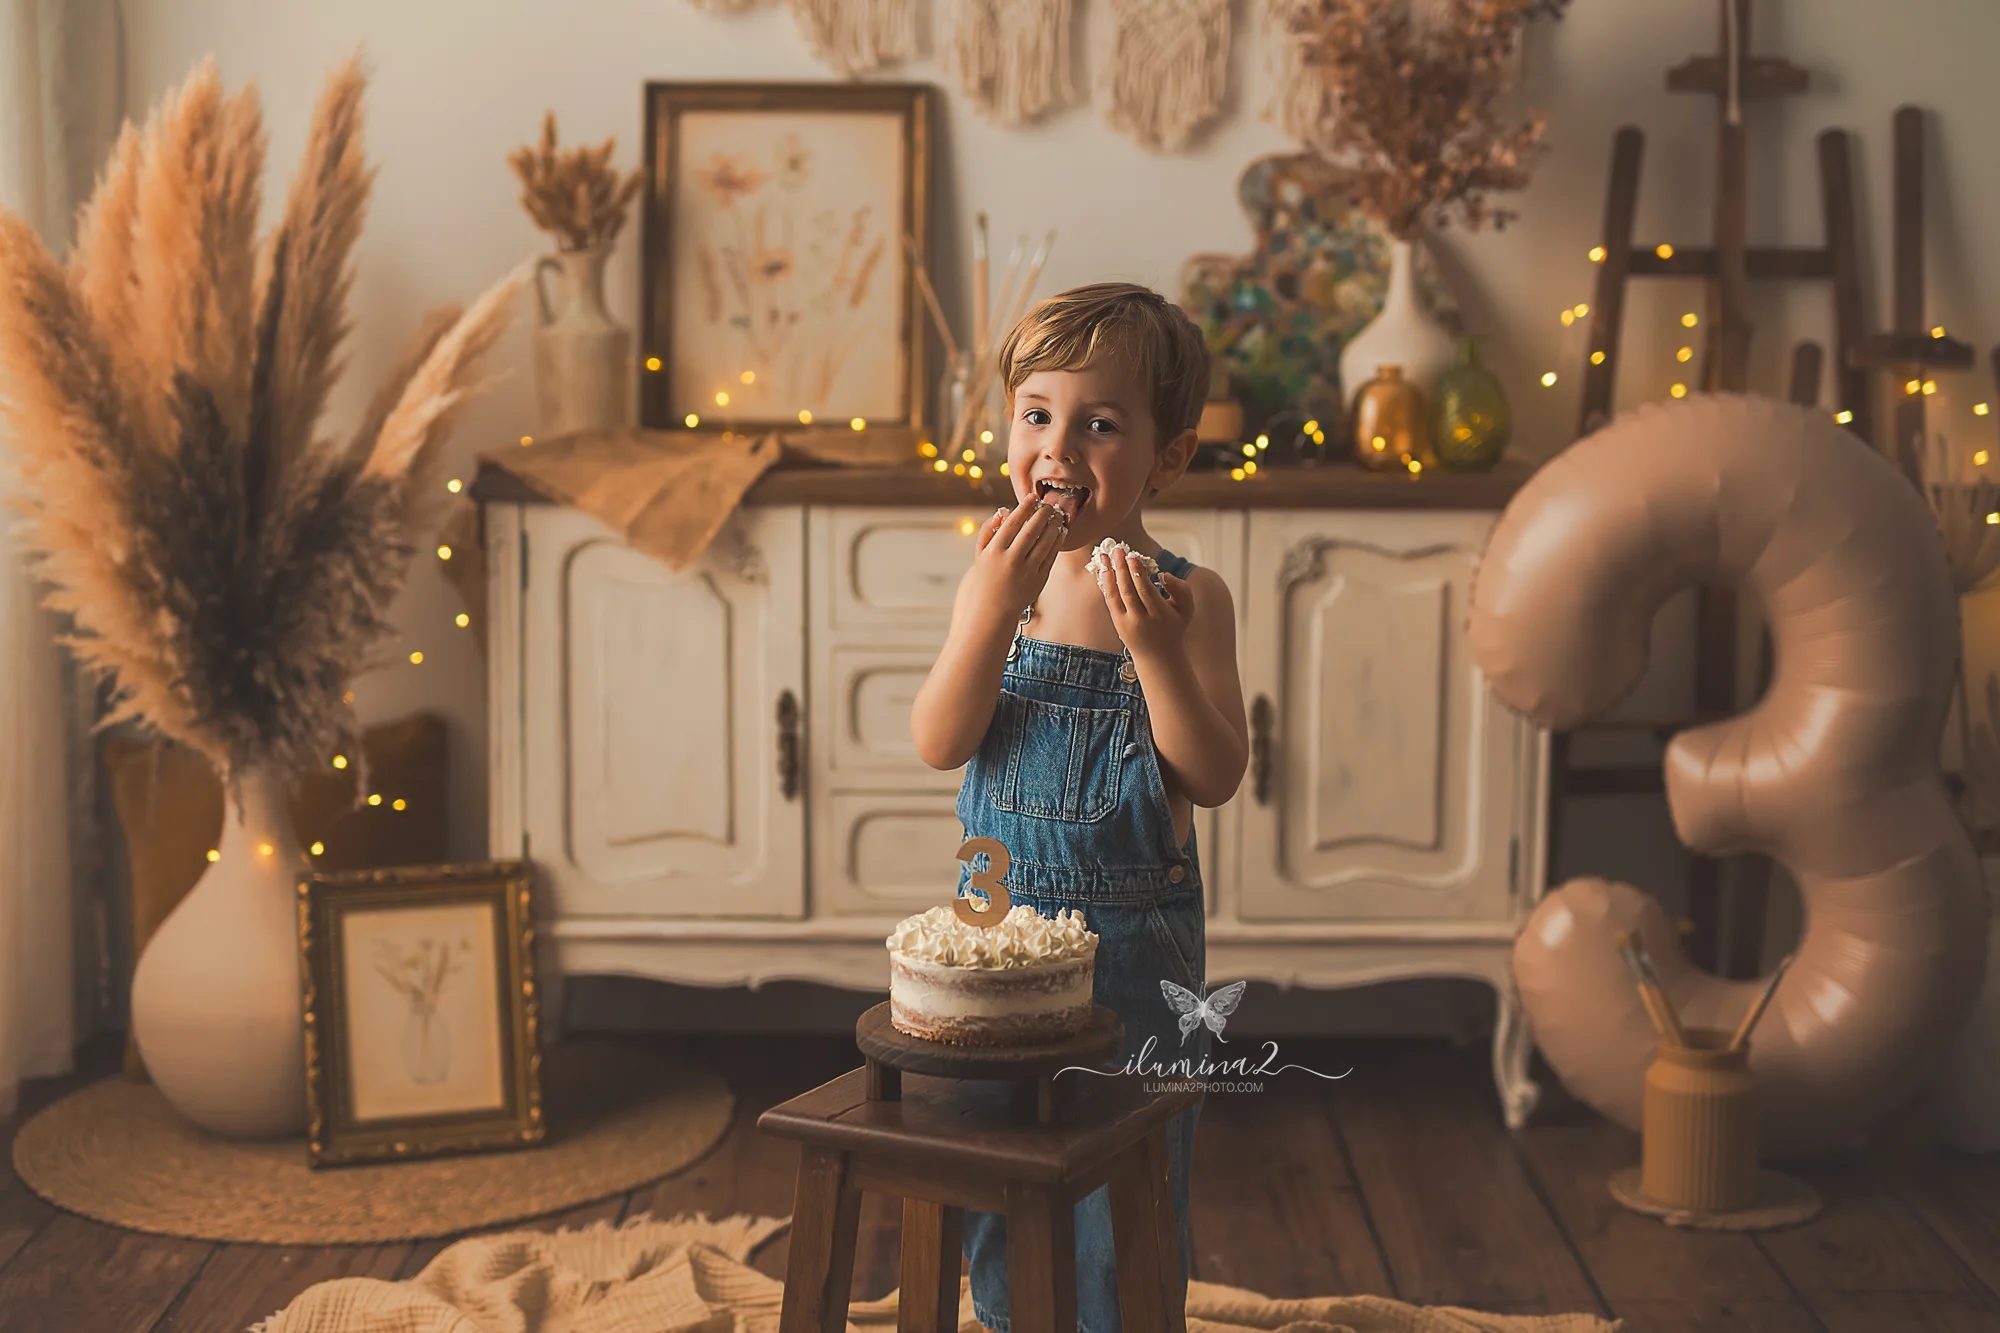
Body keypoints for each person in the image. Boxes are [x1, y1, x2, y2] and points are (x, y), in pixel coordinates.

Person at [910, 281, 1251, 1331]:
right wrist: (984, 613)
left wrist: (1155, 652)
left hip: (1131, 950)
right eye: (1036, 414)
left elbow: (1214, 773)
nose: (1056, 446)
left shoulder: (1184, 597)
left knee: (1122, 1188)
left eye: (1099, 424)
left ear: (1166, 458)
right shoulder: (996, 578)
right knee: (994, 1166)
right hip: (992, 929)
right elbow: (939, 740)